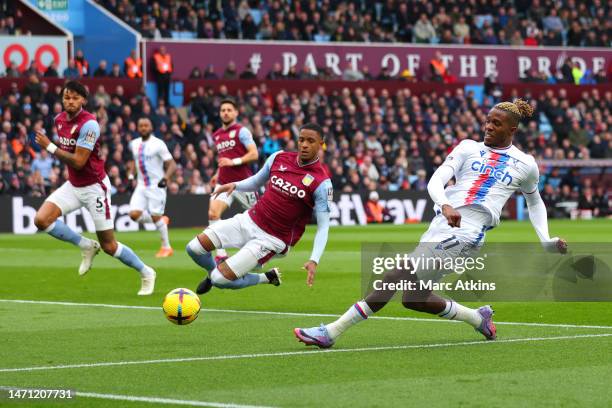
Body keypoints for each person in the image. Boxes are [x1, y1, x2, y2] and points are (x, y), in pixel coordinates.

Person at [295, 99, 568, 348]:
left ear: (512, 129)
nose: (488, 126)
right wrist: (444, 204)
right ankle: (478, 318)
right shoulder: (468, 147)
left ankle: (329, 332)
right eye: (487, 120)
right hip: (442, 223)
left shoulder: (526, 164)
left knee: (394, 276)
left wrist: (546, 239)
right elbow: (436, 179)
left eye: (496, 123)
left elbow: (535, 202)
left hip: (467, 232)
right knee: (413, 298)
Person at [33, 81, 156, 295]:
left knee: (109, 246)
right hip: (73, 185)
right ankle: (85, 245)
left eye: (74, 98)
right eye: (66, 97)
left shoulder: (89, 124)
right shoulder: (59, 120)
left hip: (94, 188)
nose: (70, 101)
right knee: (41, 220)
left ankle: (146, 271)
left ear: (83, 101)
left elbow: (79, 161)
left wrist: (50, 147)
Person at [186, 123, 332, 295]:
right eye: (301, 140)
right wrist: (234, 185)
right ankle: (216, 274)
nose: (305, 144)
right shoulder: (279, 158)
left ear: (321, 143)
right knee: (193, 248)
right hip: (249, 219)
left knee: (221, 280)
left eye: (311, 141)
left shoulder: (322, 183)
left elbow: (323, 226)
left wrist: (314, 260)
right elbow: (256, 181)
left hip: (272, 239)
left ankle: (257, 278)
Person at [207, 98, 259, 265]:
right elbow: (223, 158)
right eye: (223, 110)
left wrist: (234, 162)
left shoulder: (241, 131)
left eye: (229, 109)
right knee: (213, 213)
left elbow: (254, 154)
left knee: (258, 220)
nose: (226, 112)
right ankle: (221, 255)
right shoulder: (216, 135)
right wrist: (217, 172)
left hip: (244, 183)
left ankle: (260, 253)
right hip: (223, 182)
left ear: (236, 113)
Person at [128, 117, 177, 257]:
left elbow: (172, 164)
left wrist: (165, 178)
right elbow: (134, 161)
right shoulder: (134, 144)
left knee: (156, 217)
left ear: (151, 128)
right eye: (141, 125)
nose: (143, 128)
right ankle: (161, 220)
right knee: (133, 215)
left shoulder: (158, 144)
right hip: (141, 185)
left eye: (146, 125)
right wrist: (131, 176)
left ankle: (166, 248)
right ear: (138, 128)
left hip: (156, 186)